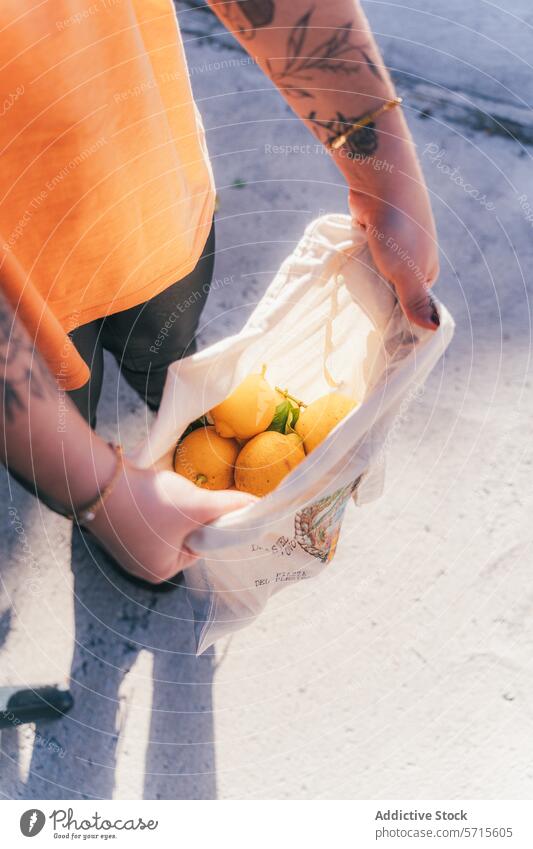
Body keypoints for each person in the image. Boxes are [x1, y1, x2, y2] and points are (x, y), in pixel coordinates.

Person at [0, 0, 439, 584]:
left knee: (169, 356)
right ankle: (122, 516)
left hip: (154, 209)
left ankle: (170, 431)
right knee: (60, 434)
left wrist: (385, 176)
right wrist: (96, 493)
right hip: (22, 318)